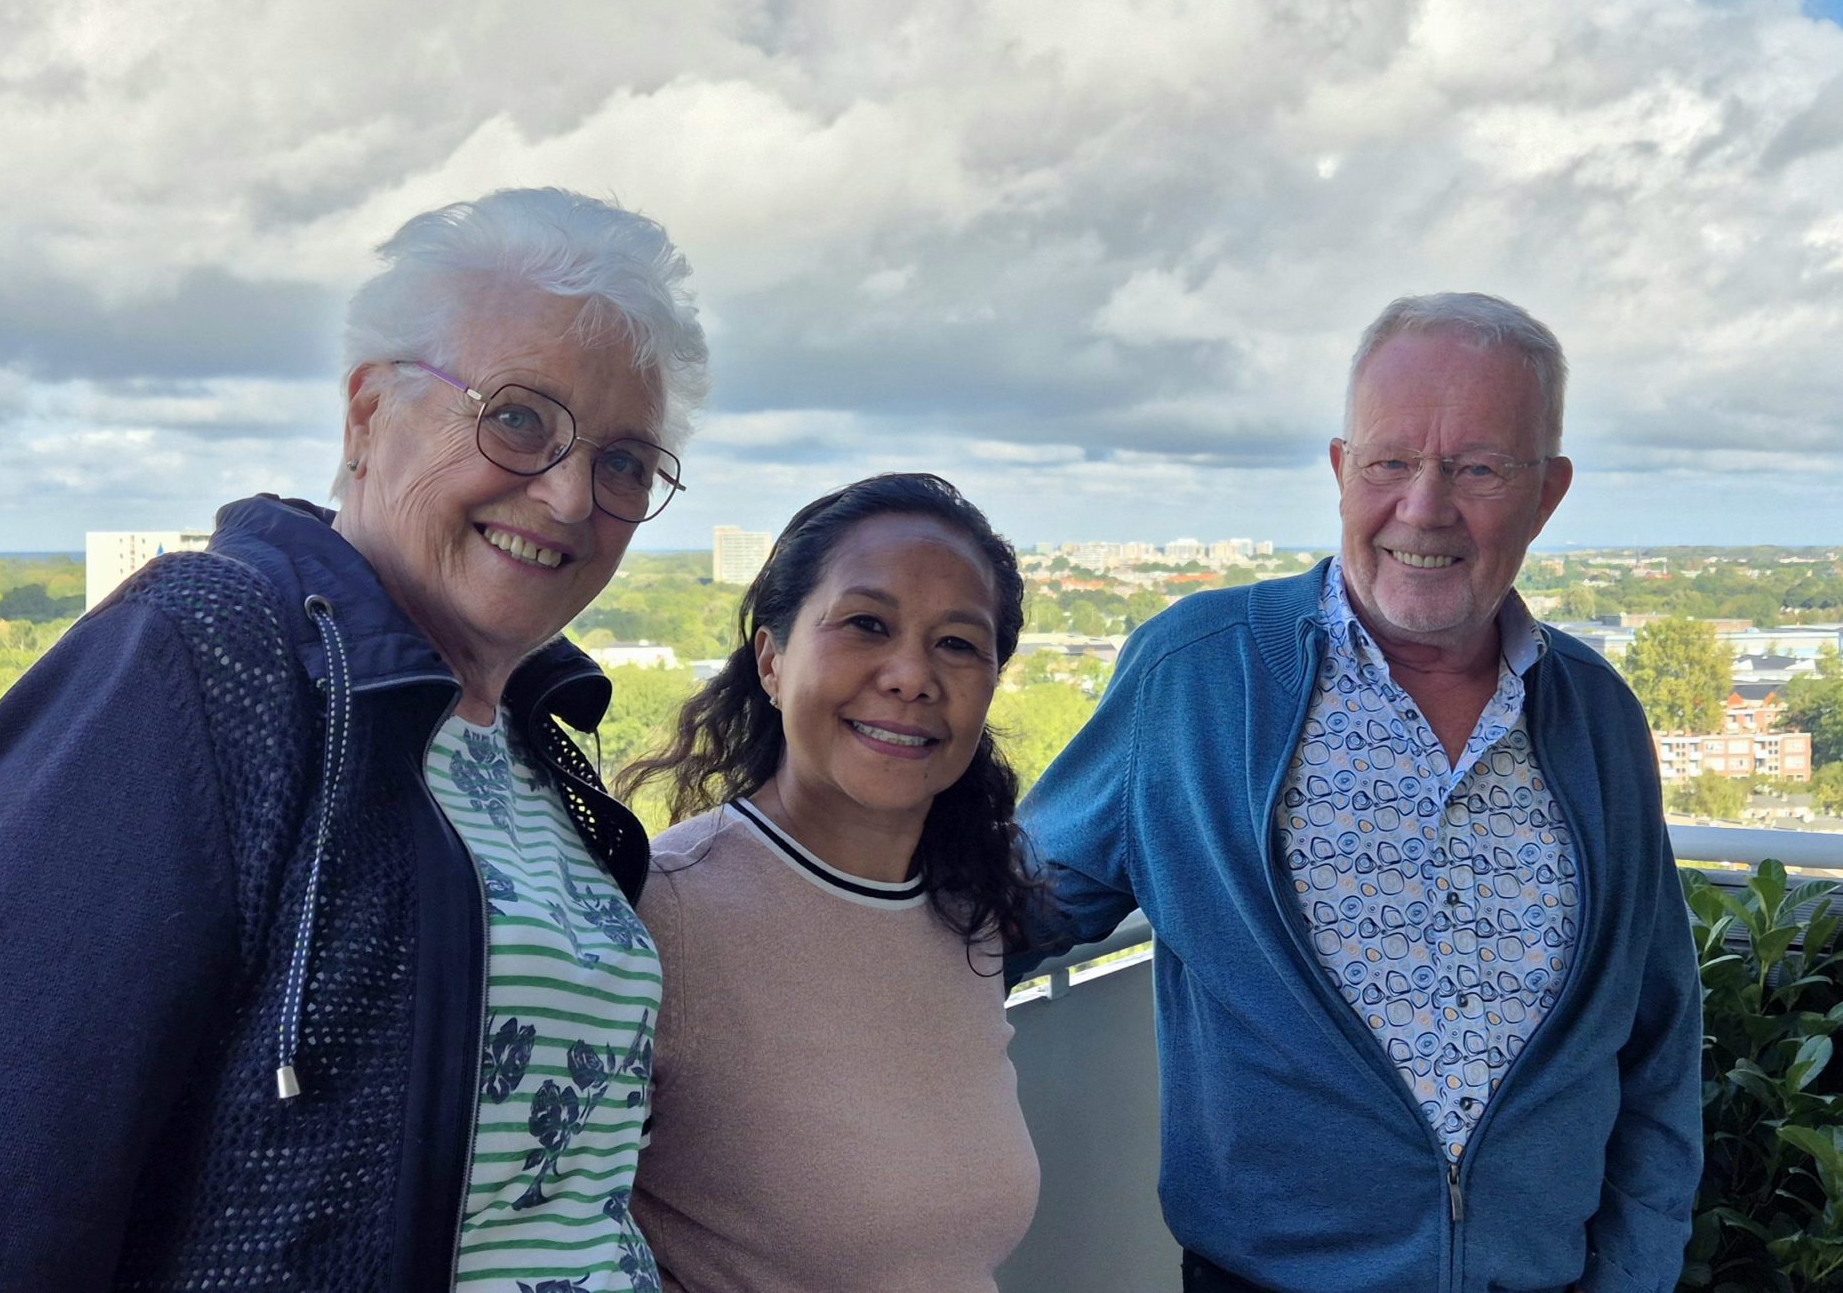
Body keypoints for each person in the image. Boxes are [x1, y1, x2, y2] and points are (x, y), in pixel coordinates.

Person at [0, 188, 709, 1292]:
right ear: (367, 414)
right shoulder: (200, 665)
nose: (571, 495)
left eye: (624, 462)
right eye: (518, 418)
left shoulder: (541, 757)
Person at [1017, 293, 1701, 1293]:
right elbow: (997, 911)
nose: (1424, 509)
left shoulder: (1595, 714)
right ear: (1342, 472)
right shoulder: (1200, 676)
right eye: (1389, 464)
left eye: (1475, 468)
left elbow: (1657, 1040)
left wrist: (1633, 1275)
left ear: (1546, 492)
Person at [616, 472, 1043, 1293]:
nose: (911, 675)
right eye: (866, 625)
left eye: (957, 642)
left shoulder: (967, 911)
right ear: (772, 661)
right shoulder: (664, 911)